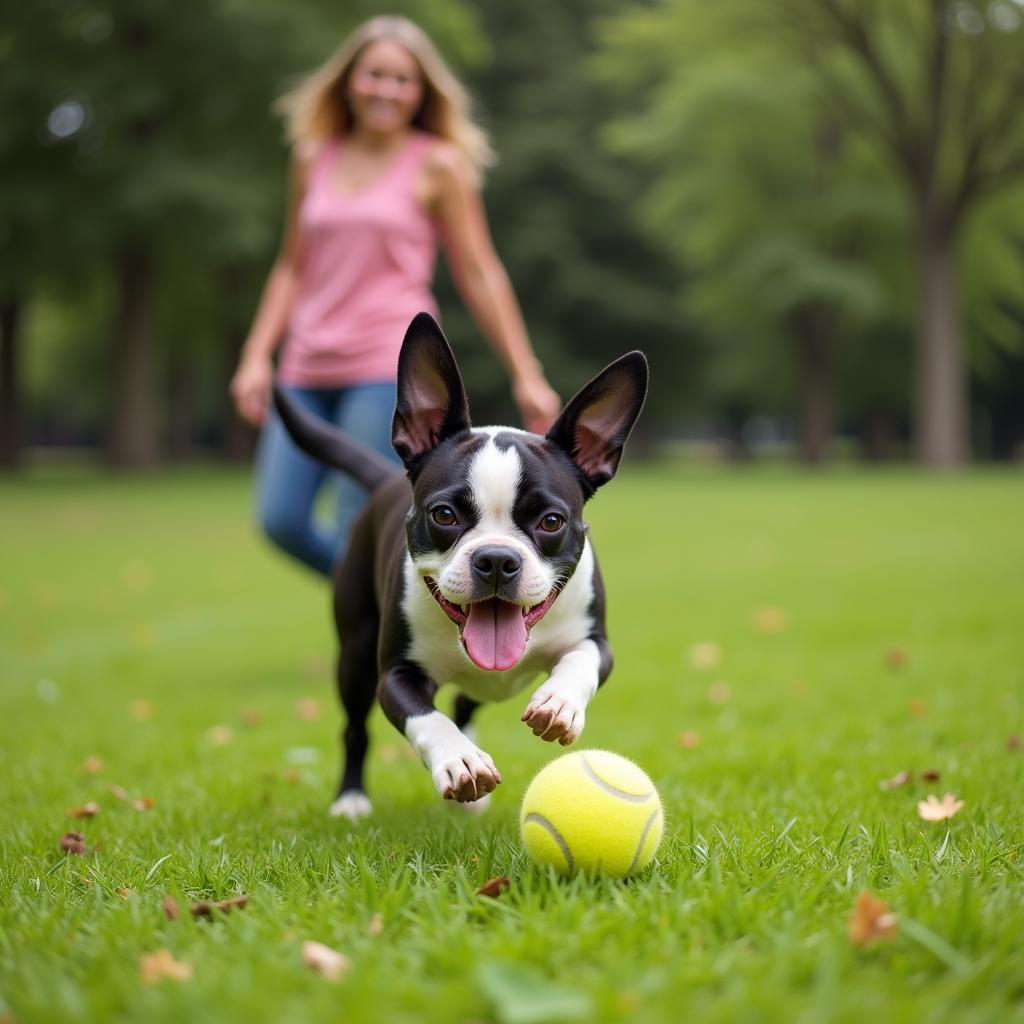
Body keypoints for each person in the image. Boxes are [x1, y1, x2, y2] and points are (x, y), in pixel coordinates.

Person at [230, 15, 561, 577]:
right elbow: (290, 265)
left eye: (402, 79)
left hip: (386, 363)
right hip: (305, 362)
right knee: (280, 518)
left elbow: (480, 272)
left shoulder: (437, 164)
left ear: (420, 92)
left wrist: (524, 370)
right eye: (374, 74)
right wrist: (256, 354)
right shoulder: (313, 157)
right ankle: (380, 612)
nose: (386, 89)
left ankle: (374, 650)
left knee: (357, 520)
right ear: (349, 80)